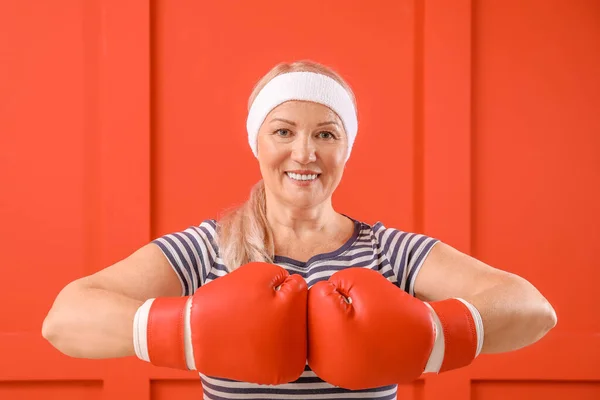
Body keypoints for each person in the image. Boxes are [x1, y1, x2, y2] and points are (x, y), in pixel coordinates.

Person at [42, 60, 557, 399]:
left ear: (345, 148)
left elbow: (533, 310)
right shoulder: (209, 247)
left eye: (326, 134)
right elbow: (63, 321)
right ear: (257, 143)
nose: (304, 153)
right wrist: (186, 330)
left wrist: (431, 333)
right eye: (283, 131)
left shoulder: (389, 252)